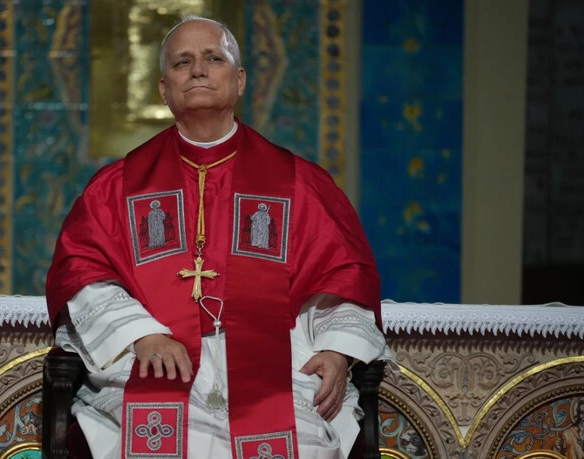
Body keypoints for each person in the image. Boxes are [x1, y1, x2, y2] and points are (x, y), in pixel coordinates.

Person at [46, 15, 390, 459]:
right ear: (164, 89)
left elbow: (345, 273)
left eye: (214, 58)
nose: (199, 70)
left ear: (240, 79)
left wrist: (336, 350)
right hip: (155, 357)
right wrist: (142, 335)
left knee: (301, 440)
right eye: (182, 62)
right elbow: (81, 268)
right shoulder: (119, 186)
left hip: (275, 366)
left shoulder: (299, 184)